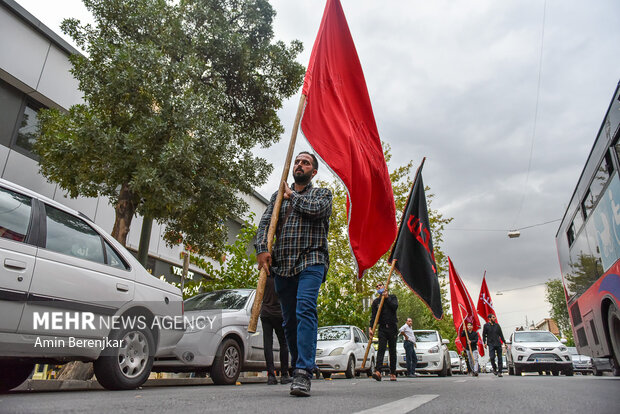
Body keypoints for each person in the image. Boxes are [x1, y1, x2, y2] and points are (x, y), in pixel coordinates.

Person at [255, 152, 332, 397]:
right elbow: (265, 224)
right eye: (297, 161)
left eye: (305, 162)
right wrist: (262, 250)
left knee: (305, 308)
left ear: (313, 172)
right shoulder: (278, 197)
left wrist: (293, 196)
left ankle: (302, 372)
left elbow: (317, 210)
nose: (300, 164)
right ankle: (301, 362)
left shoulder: (322, 194)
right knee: (289, 321)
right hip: (283, 266)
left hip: (312, 259)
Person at [260, 275, 291, 385]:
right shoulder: (282, 278)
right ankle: (284, 375)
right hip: (279, 314)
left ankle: (271, 376)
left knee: (268, 344)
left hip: (265, 314)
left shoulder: (264, 277)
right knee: (284, 344)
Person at [369, 282, 399, 381]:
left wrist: (387, 298)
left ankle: (393, 373)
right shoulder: (376, 302)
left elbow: (395, 307)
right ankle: (378, 371)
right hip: (382, 328)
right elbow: (373, 316)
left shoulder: (392, 297)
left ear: (384, 287)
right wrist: (371, 327)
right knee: (381, 349)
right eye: (376, 286)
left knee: (392, 350)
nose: (378, 287)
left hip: (392, 327)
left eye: (380, 285)